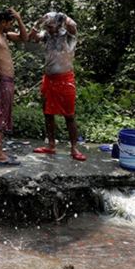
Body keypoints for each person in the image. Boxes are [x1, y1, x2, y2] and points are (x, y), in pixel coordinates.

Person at [28, 12, 87, 161]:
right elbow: (31, 38)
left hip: (65, 79)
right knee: (48, 113)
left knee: (69, 115)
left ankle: (74, 148)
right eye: (46, 25)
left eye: (51, 25)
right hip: (49, 79)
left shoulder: (68, 35)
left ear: (59, 24)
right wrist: (38, 21)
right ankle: (51, 145)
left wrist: (62, 16)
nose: (48, 27)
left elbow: (73, 25)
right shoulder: (47, 35)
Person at [0, 8, 28, 166]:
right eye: (10, 23)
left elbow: (24, 38)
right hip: (0, 81)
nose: (11, 26)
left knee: (5, 114)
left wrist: (19, 19)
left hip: (8, 81)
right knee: (0, 115)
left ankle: (0, 151)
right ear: (3, 23)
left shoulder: (5, 36)